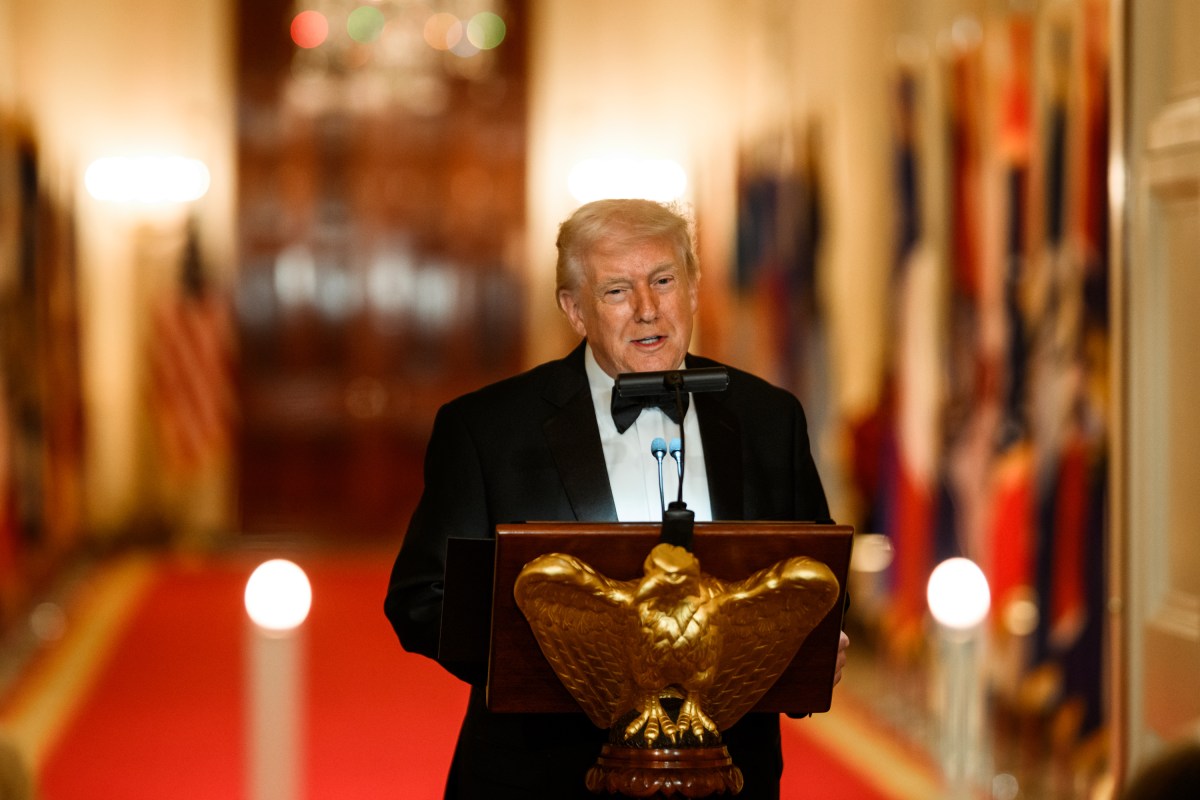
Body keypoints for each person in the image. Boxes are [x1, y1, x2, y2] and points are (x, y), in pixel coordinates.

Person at [385, 197, 848, 798]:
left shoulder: (769, 418)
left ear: (694, 289)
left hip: (731, 775)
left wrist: (815, 651)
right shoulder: (487, 429)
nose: (648, 309)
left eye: (663, 281)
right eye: (616, 292)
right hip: (543, 777)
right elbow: (422, 599)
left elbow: (816, 569)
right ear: (575, 310)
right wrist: (565, 669)